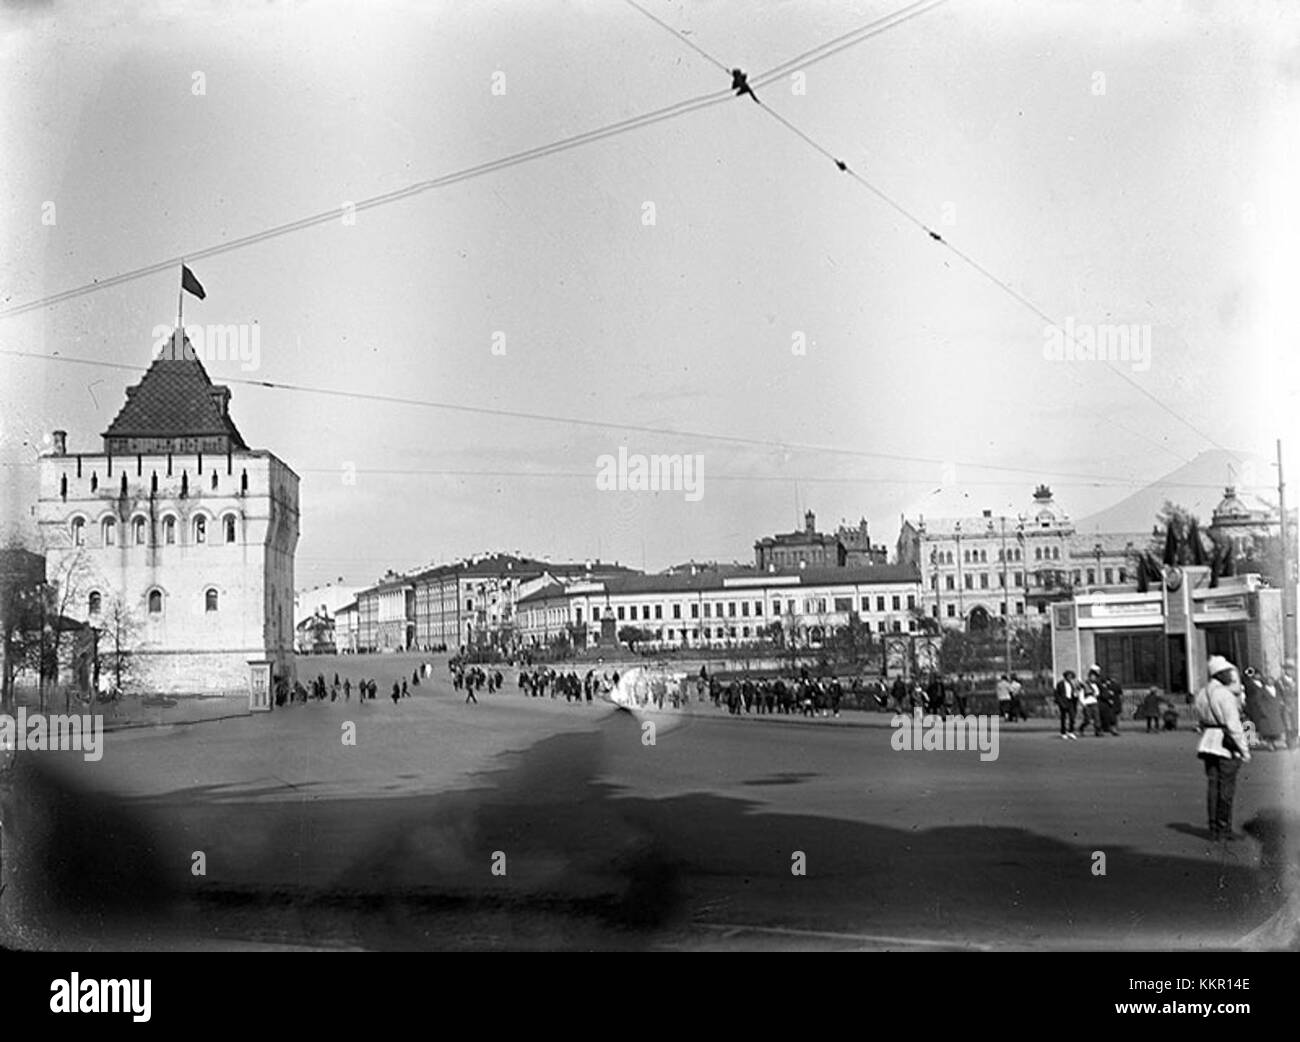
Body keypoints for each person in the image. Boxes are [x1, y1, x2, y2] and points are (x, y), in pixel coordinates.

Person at [1194, 655, 1251, 841]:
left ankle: (1213, 828)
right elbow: (1234, 726)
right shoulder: (1225, 695)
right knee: (1226, 788)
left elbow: (1200, 718)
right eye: (1229, 673)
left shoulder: (1202, 693)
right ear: (1221, 674)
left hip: (1208, 742)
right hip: (1225, 744)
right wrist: (1244, 750)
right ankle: (1224, 828)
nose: (1232, 676)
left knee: (1213, 786)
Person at [1055, 670, 1079, 739]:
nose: (1070, 677)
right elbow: (1057, 694)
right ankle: (1063, 732)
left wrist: (1075, 695)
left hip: (1070, 701)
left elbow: (1074, 692)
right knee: (1063, 718)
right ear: (1065, 676)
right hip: (1063, 701)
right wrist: (1059, 702)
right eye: (1068, 676)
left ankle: (1071, 731)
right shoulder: (1060, 684)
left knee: (1072, 717)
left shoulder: (1072, 683)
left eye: (1071, 676)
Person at [1078, 668, 1102, 736]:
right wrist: (1083, 703)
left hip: (1094, 702)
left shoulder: (1095, 685)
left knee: (1097, 718)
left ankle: (1098, 731)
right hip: (1087, 703)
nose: (1094, 678)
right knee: (1087, 719)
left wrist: (1095, 694)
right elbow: (1081, 695)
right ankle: (1081, 728)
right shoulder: (1084, 685)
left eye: (1095, 677)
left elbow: (1097, 693)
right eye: (1092, 676)